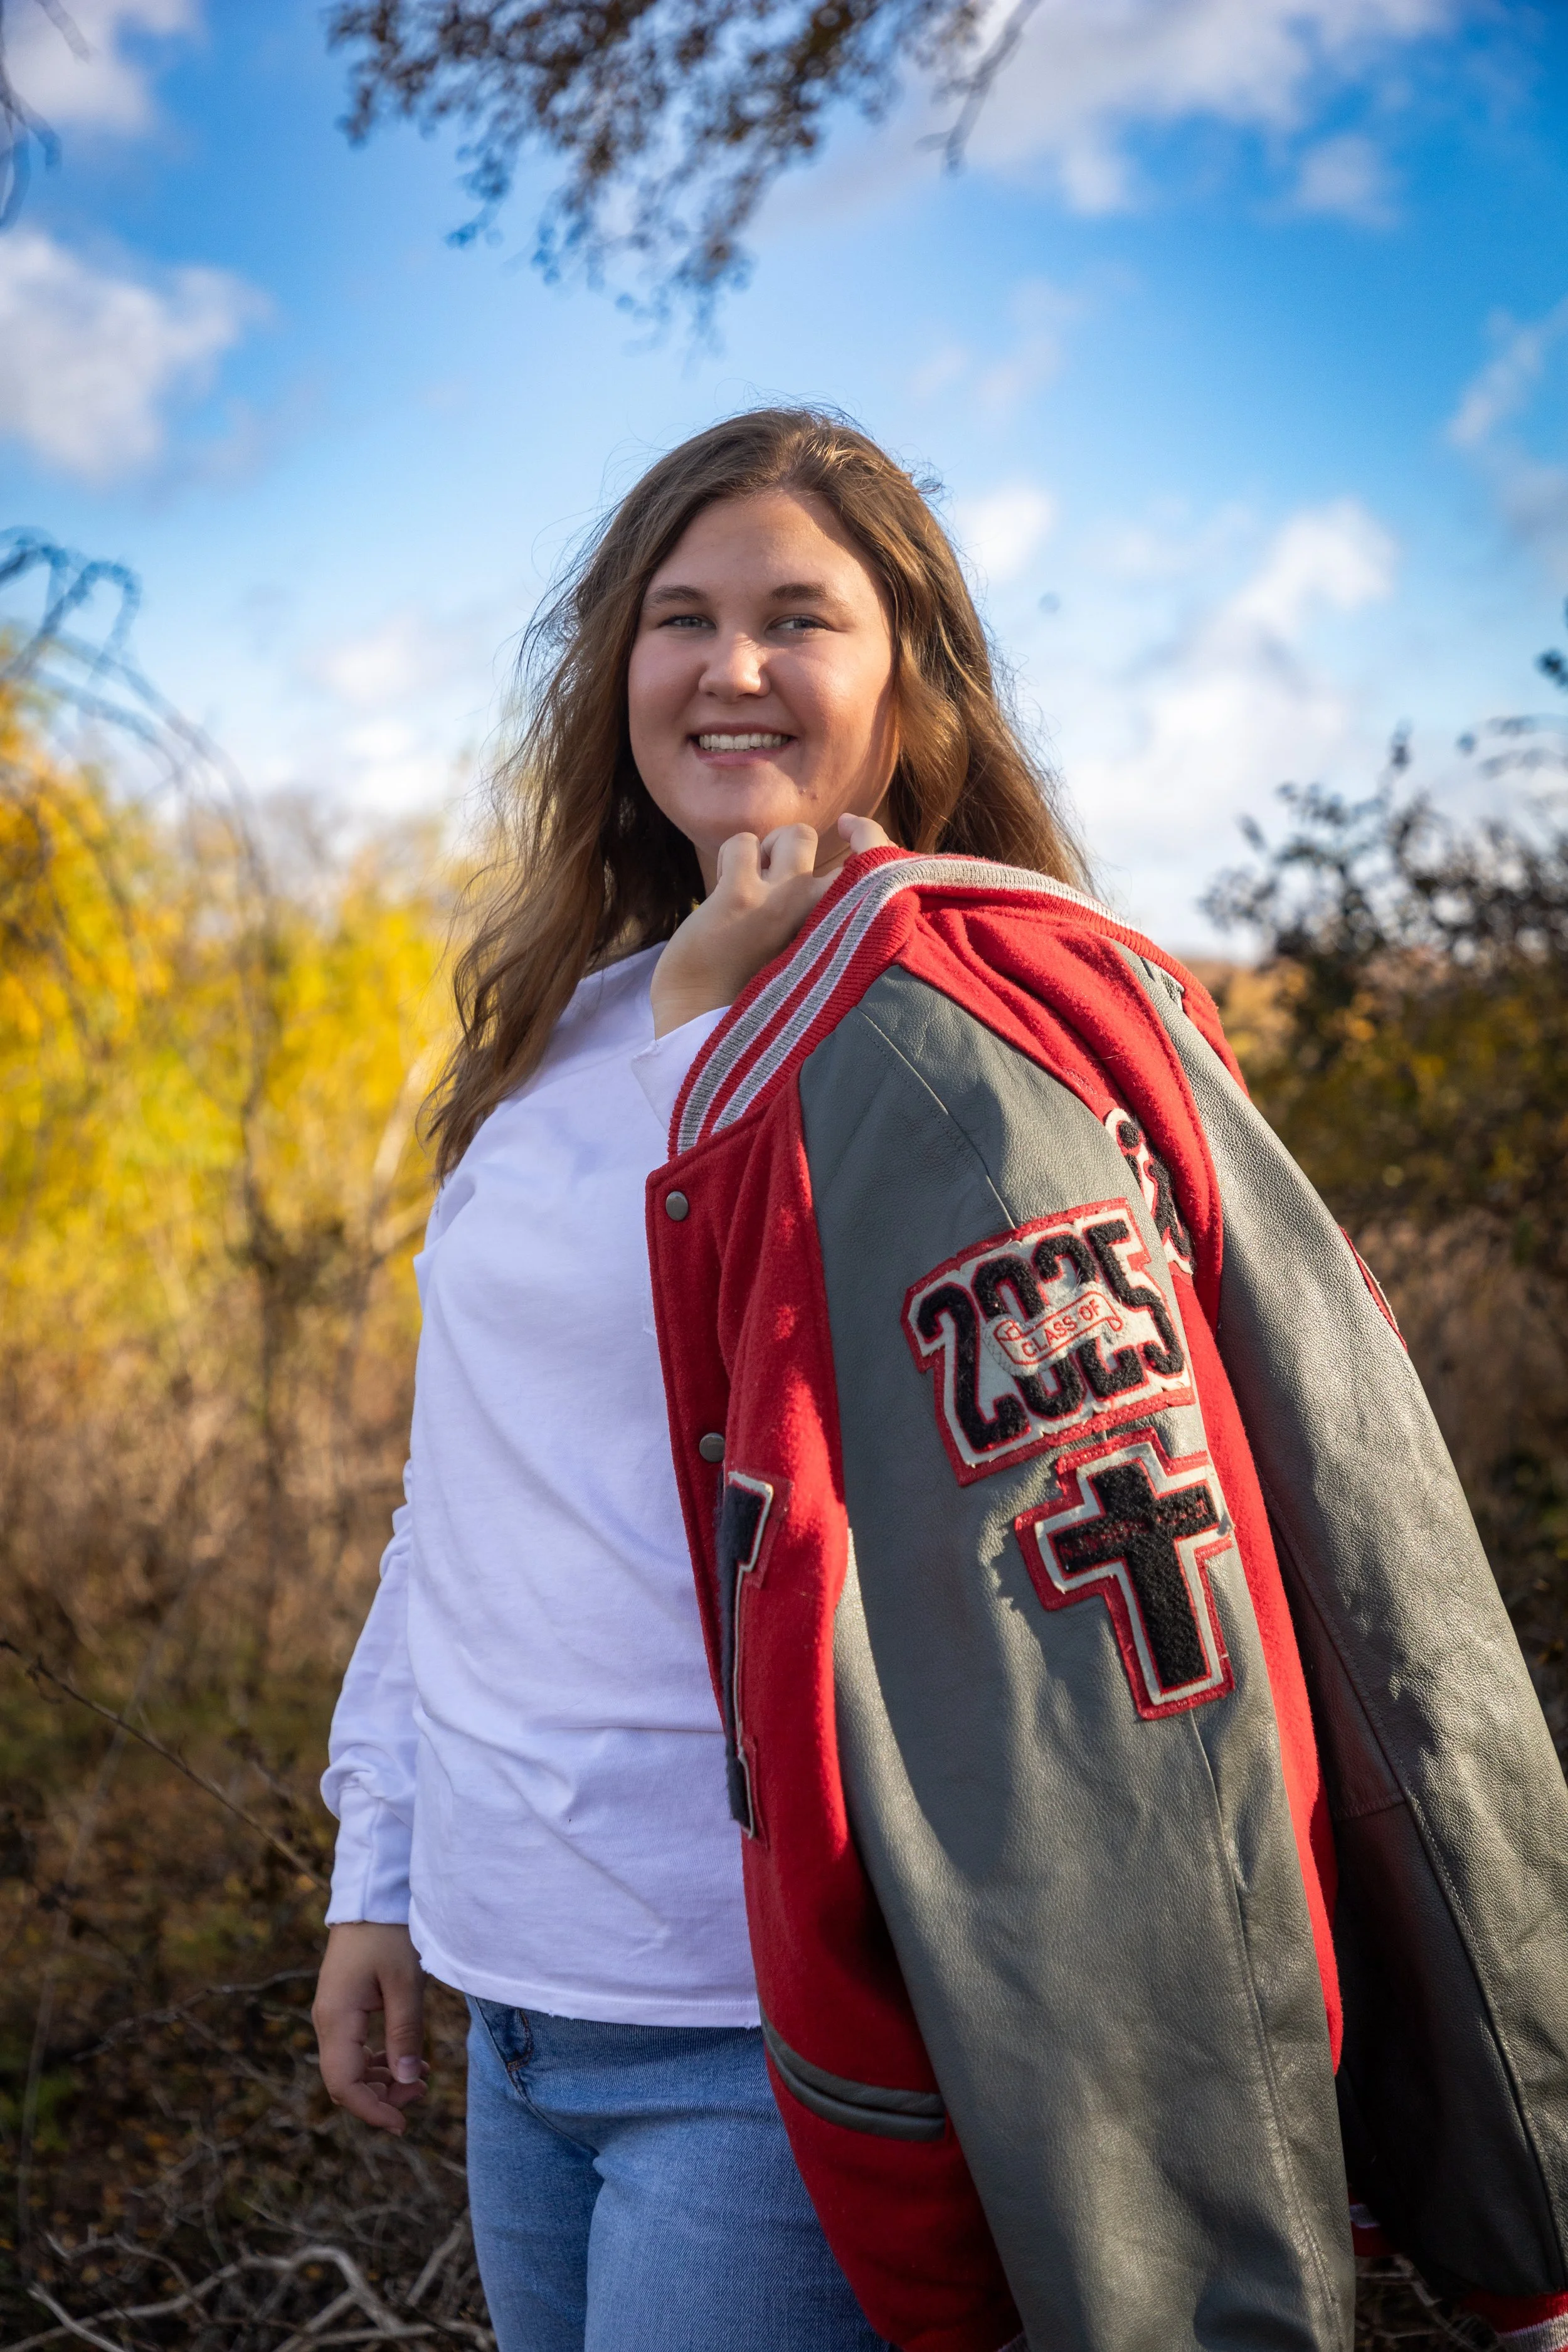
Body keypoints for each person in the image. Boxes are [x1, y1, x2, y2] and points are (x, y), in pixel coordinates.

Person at [312, 408, 1568, 2352]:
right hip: (517, 2008)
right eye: (679, 616)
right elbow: (455, 1501)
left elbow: (1113, 1610)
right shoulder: (557, 1027)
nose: (728, 667)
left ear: (905, 687)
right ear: (612, 674)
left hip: (770, 2037)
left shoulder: (954, 1054)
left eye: (795, 617)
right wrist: (376, 1871)